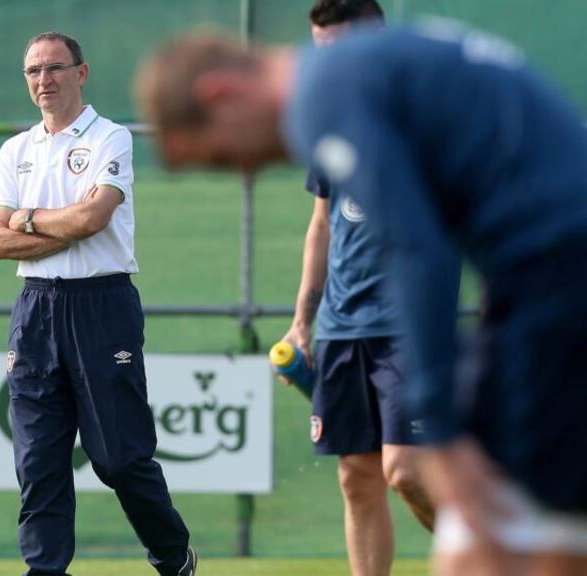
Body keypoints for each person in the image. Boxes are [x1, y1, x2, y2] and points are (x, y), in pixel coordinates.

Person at [137, 20, 587, 576]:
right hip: (544, 278)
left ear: (221, 94)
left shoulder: (323, 94)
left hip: (560, 278)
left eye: (226, 159)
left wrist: (440, 429)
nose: (249, 171)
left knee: (529, 536)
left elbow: (412, 248)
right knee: (504, 535)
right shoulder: (353, 71)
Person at [0, 31, 196, 576]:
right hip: (34, 308)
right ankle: (46, 570)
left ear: (80, 73)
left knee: (119, 459)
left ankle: (173, 556)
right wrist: (61, 226)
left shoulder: (110, 137)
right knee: (37, 462)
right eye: (33, 71)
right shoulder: (15, 150)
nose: (43, 81)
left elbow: (92, 218)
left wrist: (28, 220)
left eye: (55, 68)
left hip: (101, 306)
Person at [278, 2, 444, 575]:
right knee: (357, 478)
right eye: (322, 51)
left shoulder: (428, 117)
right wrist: (304, 318)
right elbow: (322, 224)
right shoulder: (331, 122)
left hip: (409, 326)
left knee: (407, 470)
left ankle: (492, 553)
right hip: (342, 328)